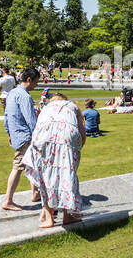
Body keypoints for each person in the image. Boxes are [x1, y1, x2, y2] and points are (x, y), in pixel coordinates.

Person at [23, 92, 86, 228]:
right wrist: (76, 151)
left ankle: (49, 218)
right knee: (66, 175)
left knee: (44, 177)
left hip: (42, 139)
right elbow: (82, 132)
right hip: (66, 138)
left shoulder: (45, 108)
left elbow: (38, 128)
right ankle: (67, 215)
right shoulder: (72, 106)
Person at [1, 68, 41, 212]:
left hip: (17, 134)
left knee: (33, 164)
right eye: (36, 82)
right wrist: (39, 136)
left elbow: (7, 116)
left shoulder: (12, 93)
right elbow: (31, 120)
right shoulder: (25, 96)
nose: (36, 85)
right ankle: (8, 200)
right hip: (26, 136)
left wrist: (9, 134)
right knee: (18, 167)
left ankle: (36, 193)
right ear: (29, 80)